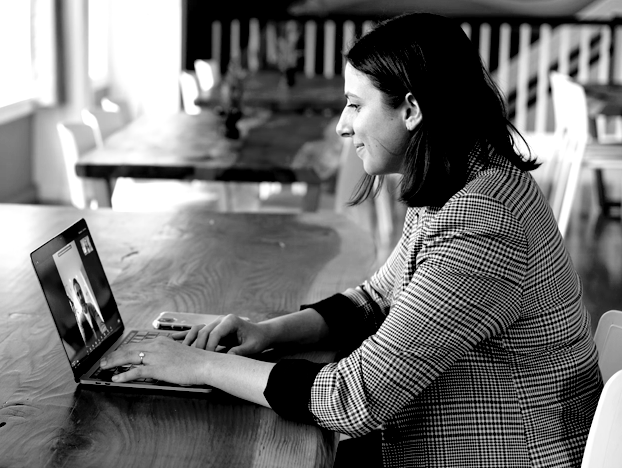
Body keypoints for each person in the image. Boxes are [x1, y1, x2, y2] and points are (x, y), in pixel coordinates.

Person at [100, 13, 603, 467]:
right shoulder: (460, 181)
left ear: (411, 110)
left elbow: (353, 399)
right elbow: (375, 298)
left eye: (356, 105)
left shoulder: (486, 218)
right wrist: (267, 332)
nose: (343, 125)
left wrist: (198, 366)